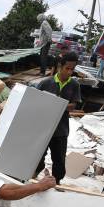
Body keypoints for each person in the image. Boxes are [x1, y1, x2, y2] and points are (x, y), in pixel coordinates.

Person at [32, 51, 82, 183]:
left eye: (72, 69)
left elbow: (74, 105)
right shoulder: (46, 83)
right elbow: (34, 102)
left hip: (61, 129)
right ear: (60, 66)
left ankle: (57, 182)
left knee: (59, 160)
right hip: (43, 127)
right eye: (67, 68)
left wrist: (58, 104)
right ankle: (33, 175)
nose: (70, 72)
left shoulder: (74, 85)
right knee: (37, 156)